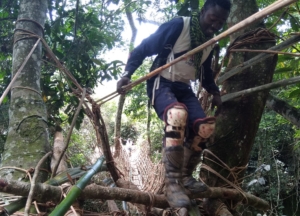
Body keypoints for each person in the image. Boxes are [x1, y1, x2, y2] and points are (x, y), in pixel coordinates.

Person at [117, 0, 231, 210]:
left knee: (206, 128)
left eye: (221, 22)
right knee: (177, 115)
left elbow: (205, 73)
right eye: (212, 19)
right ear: (203, 11)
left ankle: (186, 178)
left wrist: (214, 92)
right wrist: (127, 74)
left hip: (183, 87)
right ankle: (172, 184)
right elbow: (144, 47)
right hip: (161, 82)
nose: (215, 26)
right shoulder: (180, 25)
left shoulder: (210, 43)